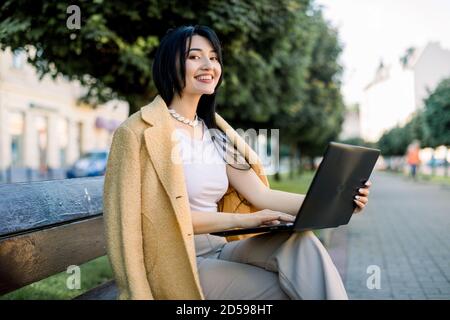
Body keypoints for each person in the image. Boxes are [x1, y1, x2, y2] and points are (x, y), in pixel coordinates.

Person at [103, 25, 372, 300]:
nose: (209, 65)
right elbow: (148, 221)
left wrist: (337, 201)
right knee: (286, 291)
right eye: (194, 57)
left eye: (214, 57)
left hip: (219, 247)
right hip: (174, 262)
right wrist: (242, 220)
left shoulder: (215, 133)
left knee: (300, 242)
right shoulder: (137, 133)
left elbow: (261, 194)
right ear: (168, 64)